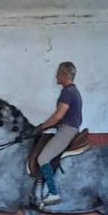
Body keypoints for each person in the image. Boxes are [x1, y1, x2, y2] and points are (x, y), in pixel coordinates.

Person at [34, 61, 82, 206]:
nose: (56, 75)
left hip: (67, 130)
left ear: (65, 74)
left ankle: (53, 193)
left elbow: (58, 116)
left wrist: (42, 127)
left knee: (42, 158)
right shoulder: (72, 91)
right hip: (65, 128)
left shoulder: (67, 92)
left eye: (58, 72)